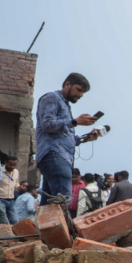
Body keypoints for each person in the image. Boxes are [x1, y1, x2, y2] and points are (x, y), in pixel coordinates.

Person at [35, 73, 99, 205]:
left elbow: (65, 138)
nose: (80, 95)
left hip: (58, 156)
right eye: (79, 90)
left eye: (83, 93)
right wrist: (75, 121)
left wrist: (85, 138)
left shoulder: (65, 105)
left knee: (48, 205)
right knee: (63, 200)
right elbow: (47, 124)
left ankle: (38, 226)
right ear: (67, 84)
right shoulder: (52, 98)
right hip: (54, 155)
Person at [0, 156, 20, 224]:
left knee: (15, 220)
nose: (12, 167)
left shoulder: (16, 172)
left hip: (11, 200)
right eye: (10, 164)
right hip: (0, 199)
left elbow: (16, 184)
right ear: (5, 162)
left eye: (14, 165)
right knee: (2, 220)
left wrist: (19, 187)